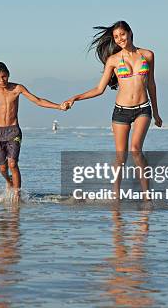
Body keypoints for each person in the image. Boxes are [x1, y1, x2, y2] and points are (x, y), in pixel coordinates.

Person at [63, 21, 162, 200]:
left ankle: (147, 196)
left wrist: (156, 112)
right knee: (121, 156)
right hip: (121, 111)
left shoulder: (147, 55)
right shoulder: (113, 60)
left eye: (122, 35)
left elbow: (152, 85)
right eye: (116, 37)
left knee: (135, 149)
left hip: (143, 108)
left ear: (130, 33)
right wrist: (75, 97)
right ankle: (115, 196)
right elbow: (99, 89)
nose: (120, 39)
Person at [0, 62, 67, 202]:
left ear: (8, 74)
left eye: (4, 76)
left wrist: (58, 107)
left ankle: (16, 196)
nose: (2, 80)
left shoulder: (17, 88)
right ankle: (8, 181)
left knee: (12, 164)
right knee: (2, 168)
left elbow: (37, 100)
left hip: (13, 131)